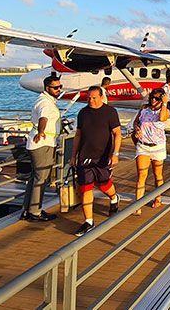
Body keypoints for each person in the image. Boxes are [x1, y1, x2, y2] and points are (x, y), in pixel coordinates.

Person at [70, 85, 122, 236]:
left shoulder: (110, 112)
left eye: (94, 98)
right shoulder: (83, 113)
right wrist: (73, 156)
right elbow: (78, 135)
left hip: (103, 156)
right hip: (85, 156)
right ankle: (89, 221)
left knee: (104, 184)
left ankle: (114, 197)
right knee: (85, 188)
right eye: (88, 98)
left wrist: (115, 153)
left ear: (101, 97)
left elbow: (117, 133)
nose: (91, 100)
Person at [22, 73, 62, 222]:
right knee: (41, 178)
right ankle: (34, 212)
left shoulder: (44, 100)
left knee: (35, 177)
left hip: (42, 142)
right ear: (47, 88)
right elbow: (43, 118)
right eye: (56, 88)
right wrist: (41, 132)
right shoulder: (45, 103)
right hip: (43, 143)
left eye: (60, 87)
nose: (59, 90)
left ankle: (28, 209)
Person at [131, 88, 170, 215]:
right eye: (152, 97)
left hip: (158, 147)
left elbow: (162, 118)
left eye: (157, 98)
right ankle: (137, 205)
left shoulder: (165, 111)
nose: (153, 100)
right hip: (143, 146)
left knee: (157, 175)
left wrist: (164, 103)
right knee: (141, 176)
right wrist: (137, 128)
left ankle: (158, 198)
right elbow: (136, 122)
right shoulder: (144, 108)